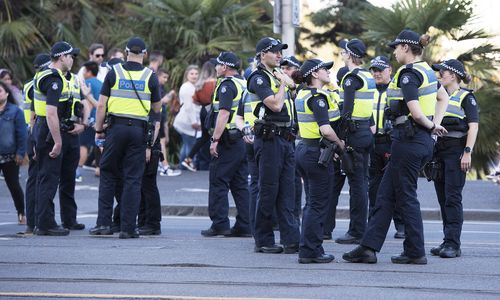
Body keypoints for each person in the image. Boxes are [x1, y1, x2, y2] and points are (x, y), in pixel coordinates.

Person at [343, 29, 448, 264]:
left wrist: (432, 126)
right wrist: (434, 126)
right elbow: (444, 98)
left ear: (405, 48)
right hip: (416, 140)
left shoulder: (409, 73)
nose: (394, 52)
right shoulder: (428, 71)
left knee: (406, 196)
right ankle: (368, 247)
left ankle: (415, 251)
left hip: (409, 141)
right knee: (385, 195)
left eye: (396, 48)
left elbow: (416, 111)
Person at [90, 37, 162, 238]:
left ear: (126, 51)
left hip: (116, 129)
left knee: (108, 173)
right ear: (145, 54)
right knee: (133, 178)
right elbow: (157, 111)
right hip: (138, 130)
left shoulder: (114, 73)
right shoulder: (150, 76)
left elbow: (102, 105)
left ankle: (103, 224)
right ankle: (128, 228)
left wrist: (98, 129)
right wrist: (150, 142)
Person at [247, 37, 300, 254]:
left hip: (286, 139)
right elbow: (276, 105)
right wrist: (283, 84)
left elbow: (292, 96)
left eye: (280, 52)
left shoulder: (276, 75)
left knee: (288, 191)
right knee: (268, 191)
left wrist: (286, 82)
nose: (279, 55)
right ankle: (263, 239)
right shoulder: (258, 78)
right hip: (269, 140)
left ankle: (291, 239)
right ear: (262, 54)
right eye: (274, 51)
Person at [33, 41, 88, 236]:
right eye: (71, 56)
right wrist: (57, 141)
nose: (73, 59)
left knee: (68, 178)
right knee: (48, 178)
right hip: (50, 132)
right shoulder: (50, 78)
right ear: (61, 57)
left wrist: (82, 124)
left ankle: (69, 219)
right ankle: (45, 223)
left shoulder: (70, 78)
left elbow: (79, 103)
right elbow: (49, 113)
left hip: (68, 130)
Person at [292, 59, 344, 263]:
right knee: (318, 203)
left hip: (305, 149)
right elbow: (325, 129)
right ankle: (310, 251)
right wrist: (340, 145)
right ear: (314, 74)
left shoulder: (302, 94)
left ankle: (308, 246)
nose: (328, 72)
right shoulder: (317, 97)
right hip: (316, 153)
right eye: (324, 69)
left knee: (311, 203)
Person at [430, 59, 479, 258]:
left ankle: (453, 244)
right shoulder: (438, 96)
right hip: (439, 152)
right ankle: (446, 241)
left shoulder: (466, 97)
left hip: (456, 151)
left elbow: (473, 126)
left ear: (453, 75)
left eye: (442, 71)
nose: (439, 74)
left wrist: (467, 152)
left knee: (452, 198)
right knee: (443, 199)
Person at [200, 52, 251, 237]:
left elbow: (223, 114)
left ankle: (220, 223)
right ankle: (245, 224)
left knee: (218, 182)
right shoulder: (243, 82)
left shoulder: (227, 85)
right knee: (240, 184)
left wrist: (215, 140)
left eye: (218, 65)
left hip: (227, 141)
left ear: (225, 67)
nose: (216, 68)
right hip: (241, 140)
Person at [334, 39, 375, 245]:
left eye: (343, 52)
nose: (341, 55)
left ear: (349, 55)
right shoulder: (367, 75)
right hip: (365, 131)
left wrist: (340, 138)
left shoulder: (351, 78)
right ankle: (360, 228)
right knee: (362, 182)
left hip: (354, 134)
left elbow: (346, 112)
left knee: (357, 184)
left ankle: (357, 231)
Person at [368, 56, 405, 239]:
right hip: (373, 142)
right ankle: (372, 224)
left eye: (380, 69)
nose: (377, 73)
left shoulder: (396, 88)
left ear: (390, 70)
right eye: (374, 70)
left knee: (397, 184)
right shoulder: (367, 90)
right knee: (373, 186)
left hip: (392, 142)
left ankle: (401, 225)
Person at [23, 53, 51, 233]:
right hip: (36, 133)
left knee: (35, 178)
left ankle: (33, 221)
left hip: (32, 133)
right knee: (38, 179)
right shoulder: (39, 85)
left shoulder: (30, 84)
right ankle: (35, 221)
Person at [323, 66, 349, 240]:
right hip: (346, 147)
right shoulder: (342, 97)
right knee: (358, 189)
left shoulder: (330, 96)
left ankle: (326, 229)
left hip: (334, 148)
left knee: (331, 191)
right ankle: (357, 230)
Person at [280, 55, 304, 226]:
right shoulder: (280, 87)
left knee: (295, 181)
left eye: (289, 68)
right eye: (283, 68)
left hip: (301, 140)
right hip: (285, 139)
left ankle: (295, 215)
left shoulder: (303, 87)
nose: (285, 71)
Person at [181, 61, 217, 172]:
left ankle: (189, 158)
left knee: (204, 137)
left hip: (203, 111)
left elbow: (195, 101)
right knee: (216, 135)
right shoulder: (215, 83)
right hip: (213, 110)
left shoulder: (200, 84)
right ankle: (216, 161)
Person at [0, 81, 27, 225]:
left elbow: (22, 134)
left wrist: (20, 153)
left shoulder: (15, 111)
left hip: (10, 156)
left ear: (7, 93)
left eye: (0, 91)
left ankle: (21, 213)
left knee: (14, 185)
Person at [77, 61, 102, 181]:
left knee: (83, 145)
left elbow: (87, 104)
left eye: (84, 71)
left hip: (90, 120)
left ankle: (78, 172)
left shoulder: (86, 84)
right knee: (99, 145)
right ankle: (98, 167)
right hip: (101, 120)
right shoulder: (102, 84)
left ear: (88, 72)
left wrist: (84, 120)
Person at [173, 65, 201, 168]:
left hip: (188, 121)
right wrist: (194, 122)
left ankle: (183, 168)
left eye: (196, 73)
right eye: (192, 74)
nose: (194, 76)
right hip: (186, 121)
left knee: (186, 145)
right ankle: (188, 166)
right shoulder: (187, 87)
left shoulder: (193, 86)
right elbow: (189, 107)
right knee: (191, 146)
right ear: (187, 75)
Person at [156, 68, 181, 177]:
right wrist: (168, 96)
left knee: (160, 142)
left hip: (160, 117)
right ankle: (164, 166)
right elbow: (159, 102)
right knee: (160, 142)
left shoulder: (160, 87)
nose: (165, 80)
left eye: (167, 78)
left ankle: (161, 164)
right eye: (164, 77)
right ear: (158, 76)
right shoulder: (156, 87)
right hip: (157, 116)